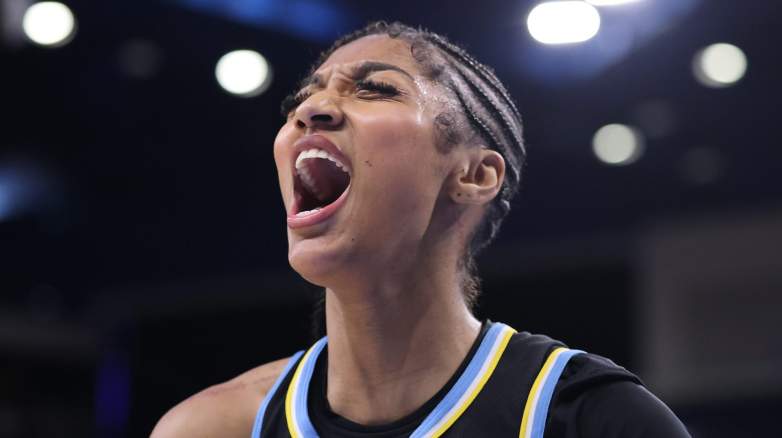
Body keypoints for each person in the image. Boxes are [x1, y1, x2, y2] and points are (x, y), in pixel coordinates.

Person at [151, 22, 690, 437]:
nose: (311, 109)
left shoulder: (588, 417)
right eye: (301, 100)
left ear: (474, 176)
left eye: (375, 89)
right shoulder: (209, 428)